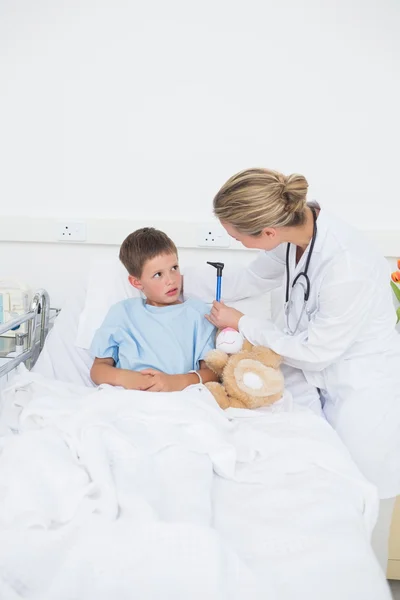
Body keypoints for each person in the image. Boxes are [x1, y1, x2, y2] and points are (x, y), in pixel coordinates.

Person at [191, 167, 400, 571]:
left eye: (238, 237)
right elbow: (252, 277)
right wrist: (182, 284)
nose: (235, 241)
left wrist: (242, 323)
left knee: (364, 512)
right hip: (318, 382)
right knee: (326, 510)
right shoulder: (295, 232)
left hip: (362, 392)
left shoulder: (346, 264)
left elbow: (318, 351)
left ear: (267, 233)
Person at [90, 228, 218, 392]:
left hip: (180, 397)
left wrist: (176, 382)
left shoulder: (198, 313)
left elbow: (213, 373)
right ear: (137, 283)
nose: (171, 280)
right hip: (128, 397)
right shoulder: (122, 313)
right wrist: (128, 378)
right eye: (158, 274)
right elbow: (98, 369)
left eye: (174, 268)